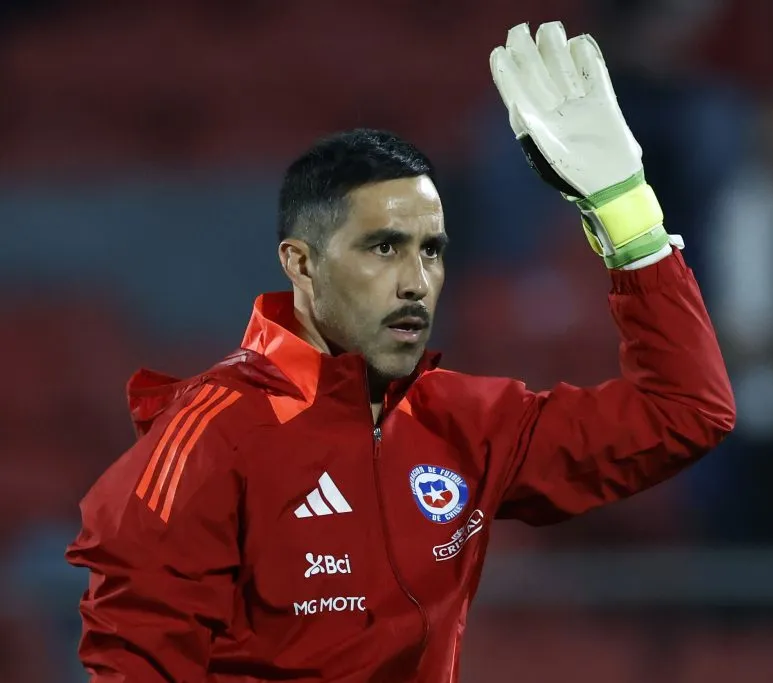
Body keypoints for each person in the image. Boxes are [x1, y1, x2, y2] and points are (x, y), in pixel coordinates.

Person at [66, 21, 735, 682]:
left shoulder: (466, 425)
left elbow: (686, 412)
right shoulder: (207, 437)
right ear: (302, 264)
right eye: (383, 247)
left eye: (432, 250)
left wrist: (626, 210)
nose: (416, 280)